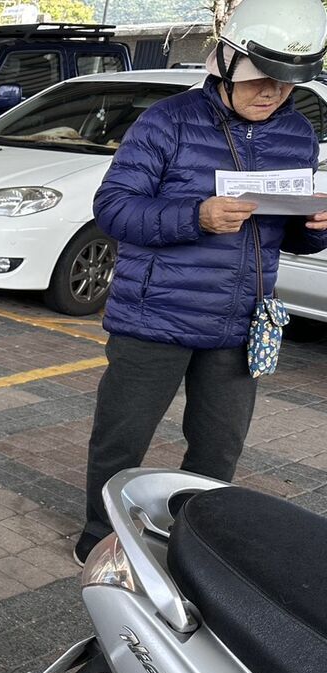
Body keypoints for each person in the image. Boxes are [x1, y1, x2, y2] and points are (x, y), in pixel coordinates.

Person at [74, 0, 327, 565]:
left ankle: (192, 539)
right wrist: (197, 216)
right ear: (230, 62)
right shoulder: (168, 121)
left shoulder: (297, 133)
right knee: (122, 439)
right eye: (263, 79)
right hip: (153, 317)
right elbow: (113, 210)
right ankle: (100, 535)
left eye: (288, 85)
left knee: (219, 446)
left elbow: (286, 236)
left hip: (239, 323)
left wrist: (315, 229)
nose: (274, 94)